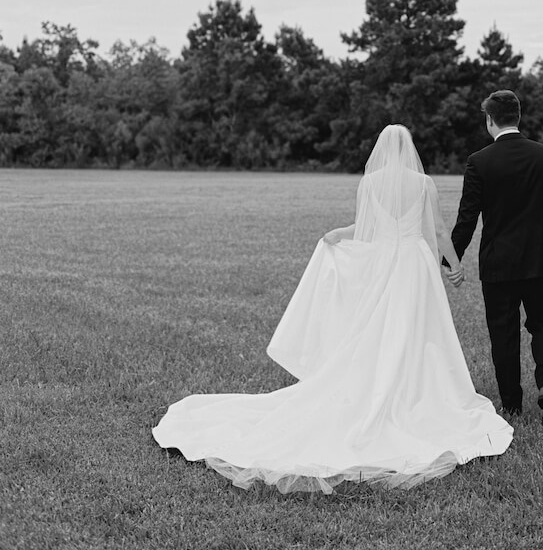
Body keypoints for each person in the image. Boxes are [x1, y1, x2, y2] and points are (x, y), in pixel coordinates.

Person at [152, 124, 513, 493]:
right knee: (416, 329)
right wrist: (454, 265)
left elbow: (366, 228)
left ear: (381, 150)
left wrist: (339, 233)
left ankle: (383, 383)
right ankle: (414, 388)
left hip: (384, 264)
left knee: (378, 328)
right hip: (414, 265)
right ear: (410, 150)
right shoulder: (424, 184)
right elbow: (436, 230)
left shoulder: (370, 183)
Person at [447, 91, 543, 421]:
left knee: (504, 332)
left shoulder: (479, 161)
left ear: (489, 120)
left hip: (498, 264)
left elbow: (467, 219)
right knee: (542, 323)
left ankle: (512, 403)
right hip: (541, 261)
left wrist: (449, 260)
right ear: (519, 116)